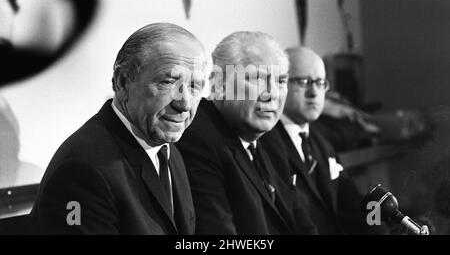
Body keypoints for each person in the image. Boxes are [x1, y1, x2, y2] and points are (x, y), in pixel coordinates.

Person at [31, 22, 208, 234]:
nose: (185, 103)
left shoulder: (168, 151)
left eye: (194, 86)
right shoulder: (83, 169)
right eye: (168, 82)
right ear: (122, 82)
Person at [176, 32, 317, 235]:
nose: (273, 94)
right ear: (219, 84)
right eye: (258, 78)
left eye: (280, 81)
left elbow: (300, 220)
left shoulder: (271, 137)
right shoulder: (197, 140)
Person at [261, 46, 370, 234]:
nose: (313, 92)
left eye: (320, 83)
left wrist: (384, 228)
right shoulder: (265, 140)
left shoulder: (321, 139)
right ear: (280, 84)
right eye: (303, 82)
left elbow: (351, 201)